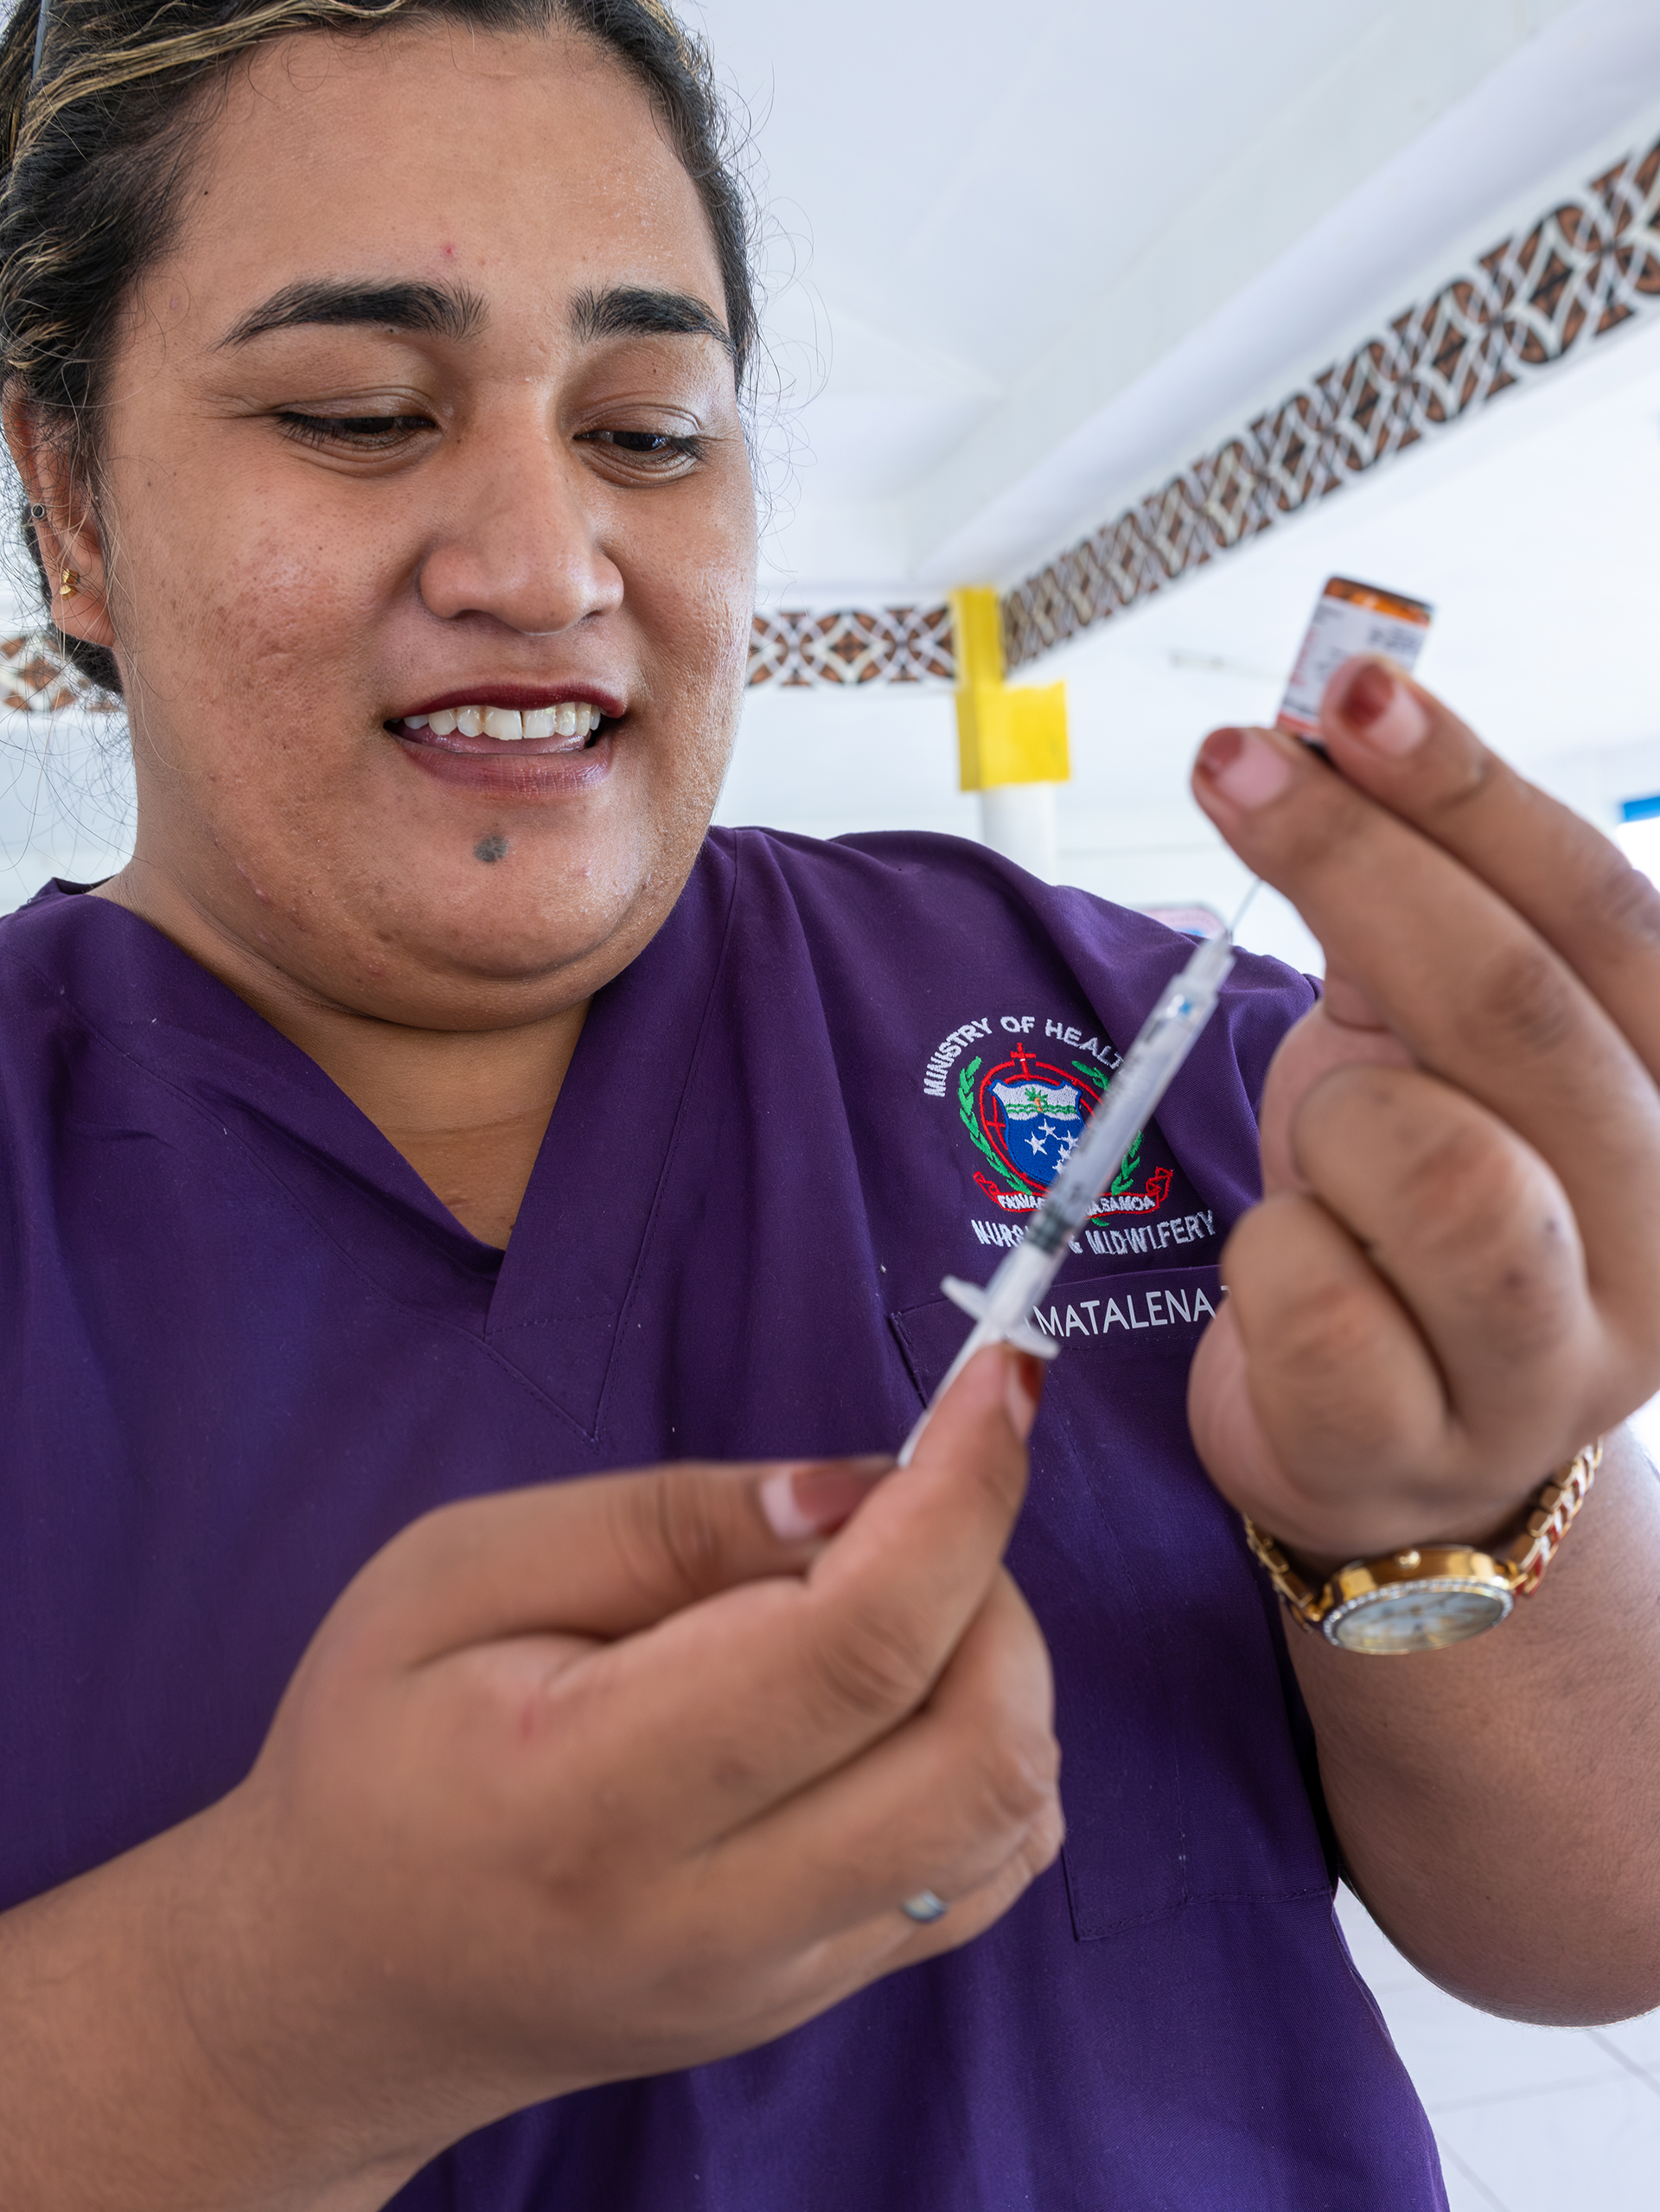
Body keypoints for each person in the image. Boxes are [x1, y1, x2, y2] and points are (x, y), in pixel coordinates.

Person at [1, 2, 1658, 2206]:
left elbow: (1600, 1909)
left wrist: (1430, 1519)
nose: (545, 555)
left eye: (651, 429)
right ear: (69, 503)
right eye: (360, 412)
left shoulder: (1133, 1044)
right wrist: (260, 2014)